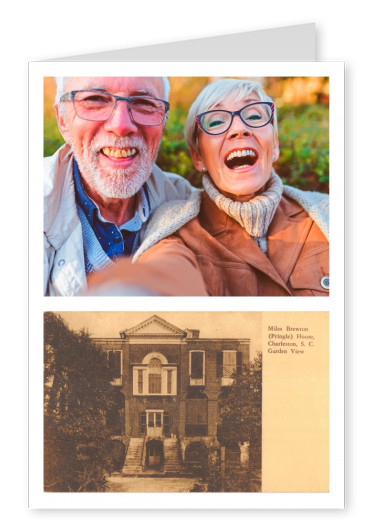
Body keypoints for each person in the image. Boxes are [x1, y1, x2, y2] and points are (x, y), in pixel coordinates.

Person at [88, 78, 329, 296]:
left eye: (255, 116)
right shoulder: (176, 229)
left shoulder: (328, 213)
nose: (239, 129)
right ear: (198, 157)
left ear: (274, 144)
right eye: (216, 121)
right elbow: (165, 271)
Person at [44, 76, 199, 296]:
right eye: (95, 99)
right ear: (62, 120)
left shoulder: (187, 204)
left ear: (163, 121)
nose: (121, 126)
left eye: (144, 103)